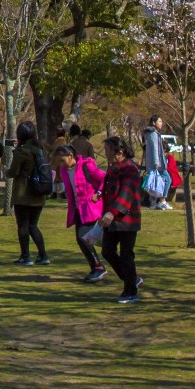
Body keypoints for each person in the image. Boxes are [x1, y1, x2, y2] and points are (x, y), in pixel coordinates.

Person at [98, 136, 145, 303]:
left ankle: (130, 290)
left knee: (126, 255)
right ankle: (131, 279)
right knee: (107, 251)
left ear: (119, 152)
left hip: (127, 220)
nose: (106, 154)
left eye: (108, 150)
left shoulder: (130, 169)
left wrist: (112, 212)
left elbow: (126, 193)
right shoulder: (113, 168)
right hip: (112, 219)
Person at [57, 142, 107, 282]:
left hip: (90, 208)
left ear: (71, 155)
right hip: (78, 209)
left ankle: (98, 267)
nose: (61, 164)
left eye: (63, 160)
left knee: (82, 237)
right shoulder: (64, 171)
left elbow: (104, 178)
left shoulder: (86, 165)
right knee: (81, 239)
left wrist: (98, 193)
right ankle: (96, 267)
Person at [6, 123, 51, 266]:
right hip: (39, 193)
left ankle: (25, 256)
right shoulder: (40, 149)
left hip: (24, 193)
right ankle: (43, 255)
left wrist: (7, 170)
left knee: (23, 226)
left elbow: (13, 172)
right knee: (33, 225)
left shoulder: (22, 151)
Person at [141, 116, 171, 210]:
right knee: (167, 180)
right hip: (157, 164)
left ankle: (153, 203)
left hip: (153, 163)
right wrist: (156, 162)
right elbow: (155, 149)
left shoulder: (152, 134)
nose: (161, 123)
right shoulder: (153, 134)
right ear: (154, 123)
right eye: (159, 121)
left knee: (155, 182)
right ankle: (162, 201)